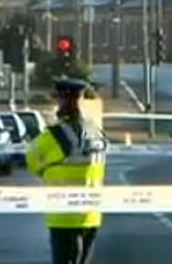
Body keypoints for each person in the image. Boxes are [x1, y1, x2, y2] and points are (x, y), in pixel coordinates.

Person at [26, 78, 107, 264]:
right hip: (91, 214)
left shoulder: (57, 135)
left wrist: (48, 169)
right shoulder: (96, 133)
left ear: (62, 100)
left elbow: (32, 162)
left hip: (63, 214)